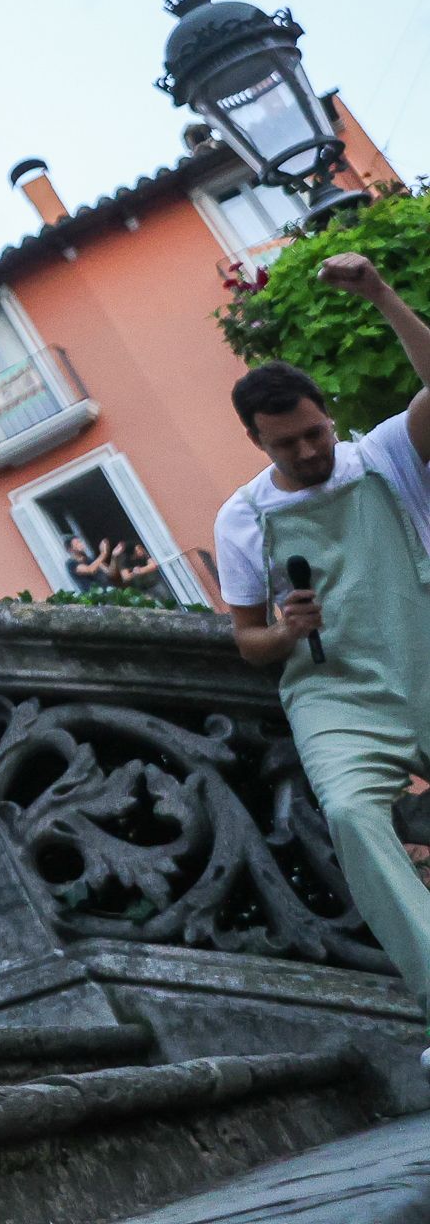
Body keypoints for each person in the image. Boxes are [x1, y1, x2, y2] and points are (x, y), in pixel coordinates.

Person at [217, 252, 430, 1078]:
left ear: (325, 416)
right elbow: (247, 642)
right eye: (288, 443)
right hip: (335, 691)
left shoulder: (384, 457)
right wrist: (286, 627)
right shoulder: (241, 517)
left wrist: (379, 292)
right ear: (255, 440)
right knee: (350, 817)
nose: (310, 451)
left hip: (422, 653)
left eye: (315, 432)